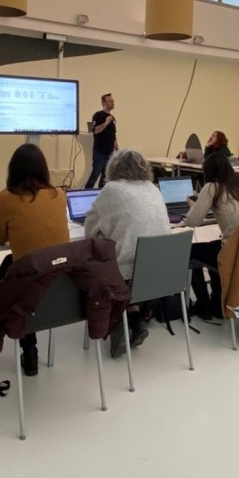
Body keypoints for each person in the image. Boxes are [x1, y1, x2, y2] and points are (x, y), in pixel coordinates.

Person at [0, 143, 70, 377]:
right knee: (11, 264)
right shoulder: (59, 195)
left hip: (30, 286)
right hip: (61, 285)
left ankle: (23, 344)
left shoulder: (4, 199)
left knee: (17, 272)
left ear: (12, 170)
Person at [84, 149, 170, 355]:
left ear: (113, 168)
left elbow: (89, 232)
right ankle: (134, 320)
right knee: (125, 256)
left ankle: (116, 325)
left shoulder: (111, 189)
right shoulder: (153, 188)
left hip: (128, 272)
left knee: (102, 260)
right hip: (162, 271)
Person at [183, 153, 239, 319]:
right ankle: (217, 303)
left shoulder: (211, 187)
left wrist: (194, 206)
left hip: (230, 252)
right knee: (213, 246)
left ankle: (203, 305)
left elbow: (192, 222)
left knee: (189, 251)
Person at [85, 93, 117, 188]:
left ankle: (101, 195)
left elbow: (113, 135)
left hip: (110, 151)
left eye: (113, 101)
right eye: (110, 101)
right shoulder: (98, 115)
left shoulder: (113, 118)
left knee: (105, 177)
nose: (112, 103)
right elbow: (96, 130)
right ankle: (85, 194)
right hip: (100, 151)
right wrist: (106, 122)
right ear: (104, 103)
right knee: (95, 175)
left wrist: (117, 149)